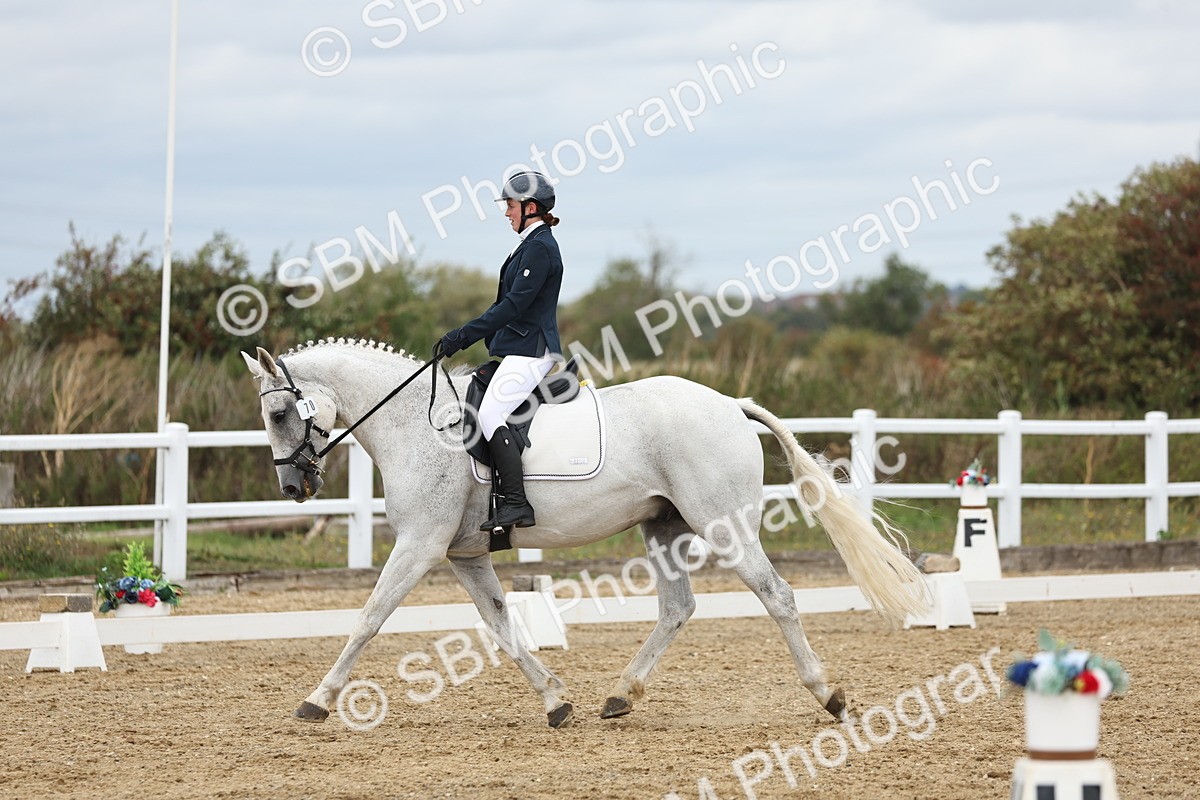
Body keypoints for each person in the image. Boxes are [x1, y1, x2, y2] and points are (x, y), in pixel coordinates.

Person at [436, 171, 564, 531]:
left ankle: (517, 504)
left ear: (530, 207)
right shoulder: (529, 243)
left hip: (532, 351)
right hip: (519, 350)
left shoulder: (539, 247)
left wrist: (464, 335)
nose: (506, 212)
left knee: (491, 415)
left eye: (510, 205)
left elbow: (512, 307)